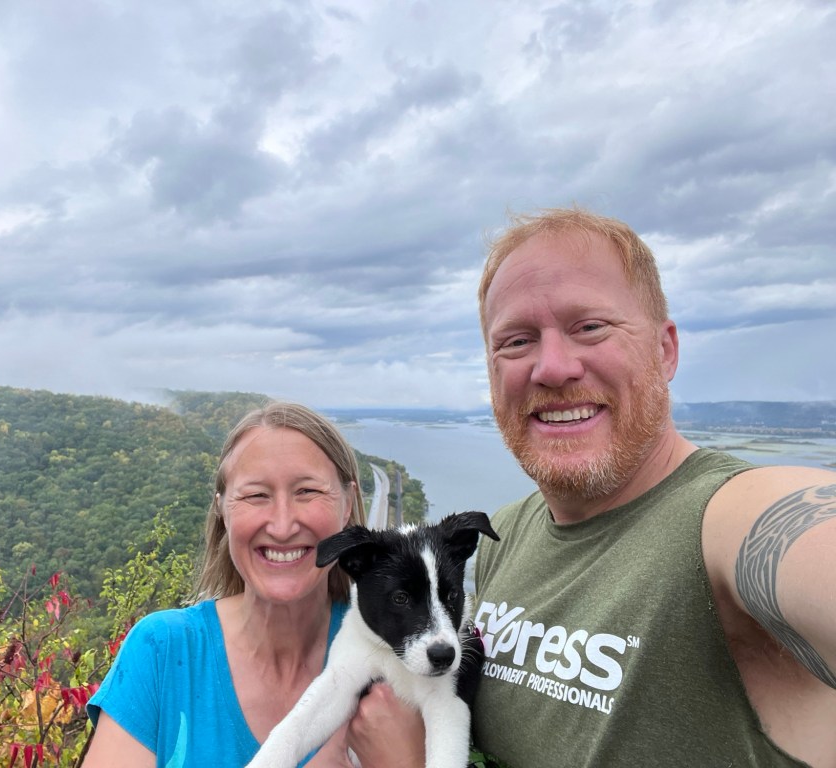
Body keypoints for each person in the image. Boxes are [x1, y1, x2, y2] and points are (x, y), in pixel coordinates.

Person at [469, 207, 836, 767]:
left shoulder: (725, 518)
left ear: (665, 350)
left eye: (590, 327)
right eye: (516, 341)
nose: (553, 367)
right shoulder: (504, 534)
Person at [82, 400, 424, 767]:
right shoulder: (163, 652)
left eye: (307, 491)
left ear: (347, 504)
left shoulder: (399, 654)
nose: (282, 526)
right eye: (256, 495)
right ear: (223, 510)